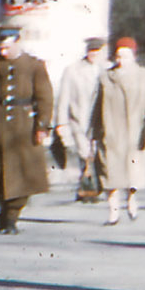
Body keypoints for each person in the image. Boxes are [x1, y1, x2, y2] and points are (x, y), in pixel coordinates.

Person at [0, 26, 55, 235]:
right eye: (1, 47)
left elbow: (45, 98)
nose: (3, 51)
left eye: (7, 46)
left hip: (24, 126)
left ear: (17, 42)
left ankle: (11, 216)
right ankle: (3, 209)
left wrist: (42, 125)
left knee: (21, 174)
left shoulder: (34, 65)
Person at [93, 37, 145, 225]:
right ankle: (113, 211)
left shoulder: (143, 77)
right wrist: (93, 131)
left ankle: (132, 201)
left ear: (133, 56)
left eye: (125, 56)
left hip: (134, 133)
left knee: (132, 174)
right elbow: (96, 106)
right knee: (110, 174)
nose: (121, 60)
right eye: (118, 56)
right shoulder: (105, 78)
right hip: (111, 133)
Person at [55, 38, 106, 202]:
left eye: (97, 52)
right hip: (79, 119)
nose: (94, 55)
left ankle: (96, 186)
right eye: (91, 51)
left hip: (101, 120)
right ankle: (86, 188)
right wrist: (61, 123)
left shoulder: (106, 70)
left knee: (97, 153)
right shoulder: (72, 71)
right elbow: (64, 98)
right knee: (84, 153)